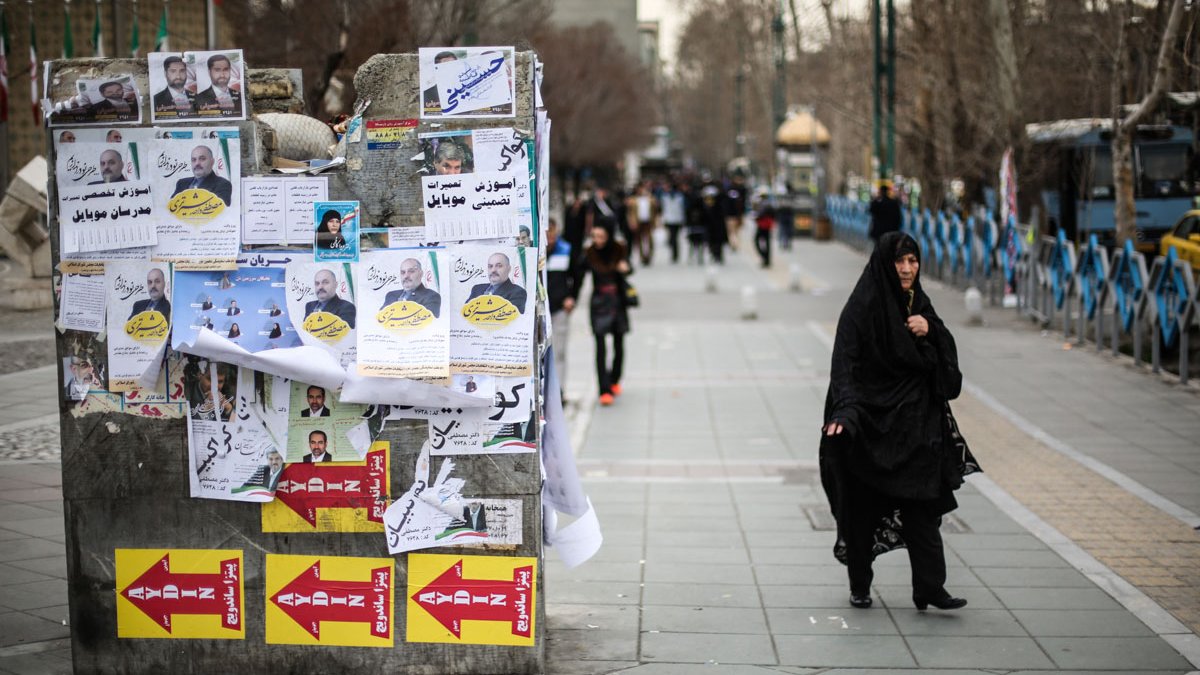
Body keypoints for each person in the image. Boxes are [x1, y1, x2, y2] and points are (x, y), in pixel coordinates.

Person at [820, 231, 978, 612]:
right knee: (862, 509)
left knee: (922, 507)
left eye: (913, 261)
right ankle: (860, 583)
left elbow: (947, 369)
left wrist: (931, 330)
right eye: (900, 261)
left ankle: (929, 587)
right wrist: (844, 413)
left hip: (916, 426)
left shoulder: (918, 303)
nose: (907, 269)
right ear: (885, 264)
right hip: (872, 425)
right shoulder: (863, 306)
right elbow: (844, 363)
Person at [576, 221, 631, 406]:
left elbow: (629, 268)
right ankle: (604, 389)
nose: (597, 241)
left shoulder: (618, 250)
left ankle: (614, 379)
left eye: (601, 237)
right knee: (600, 345)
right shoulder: (590, 253)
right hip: (599, 302)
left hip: (617, 300)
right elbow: (578, 275)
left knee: (619, 342)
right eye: (594, 237)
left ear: (608, 236)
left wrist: (626, 268)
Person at [546, 217, 578, 389]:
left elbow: (577, 275)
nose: (550, 236)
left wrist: (572, 297)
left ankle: (559, 391)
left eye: (552, 232)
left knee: (558, 352)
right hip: (540, 311)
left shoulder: (565, 250)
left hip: (559, 309)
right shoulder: (536, 251)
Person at [626, 181, 658, 267]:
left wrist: (656, 222)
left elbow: (655, 211)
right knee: (638, 240)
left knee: (649, 240)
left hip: (648, 221)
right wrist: (631, 222)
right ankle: (642, 257)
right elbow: (630, 213)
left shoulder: (651, 199)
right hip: (638, 221)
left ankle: (648, 256)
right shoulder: (633, 200)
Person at [422, 50, 458, 114]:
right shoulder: (427, 94)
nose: (450, 69)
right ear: (436, 69)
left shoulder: (470, 91)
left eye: (453, 65)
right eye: (446, 66)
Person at [660, 182, 688, 264]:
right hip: (669, 219)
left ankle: (675, 254)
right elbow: (663, 209)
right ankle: (674, 253)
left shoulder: (680, 197)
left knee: (674, 237)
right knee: (672, 237)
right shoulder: (665, 197)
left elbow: (682, 209)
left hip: (677, 220)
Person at [754, 197, 776, 268]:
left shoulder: (762, 204)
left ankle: (764, 257)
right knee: (767, 242)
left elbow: (760, 214)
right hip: (768, 226)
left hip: (762, 226)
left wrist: (756, 218)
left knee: (757, 241)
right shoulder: (770, 203)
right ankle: (767, 259)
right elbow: (774, 214)